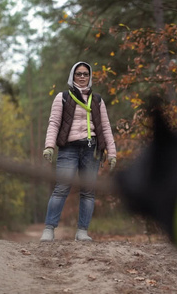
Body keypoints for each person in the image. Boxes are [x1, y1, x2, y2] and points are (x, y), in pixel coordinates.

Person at [40, 61, 116, 242]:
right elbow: (54, 123)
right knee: (61, 188)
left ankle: (82, 232)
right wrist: (49, 146)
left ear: (90, 77)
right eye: (78, 74)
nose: (82, 77)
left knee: (88, 191)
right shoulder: (62, 97)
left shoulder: (97, 100)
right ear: (72, 76)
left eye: (85, 74)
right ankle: (49, 229)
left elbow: (105, 127)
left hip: (91, 150)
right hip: (69, 149)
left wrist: (112, 153)